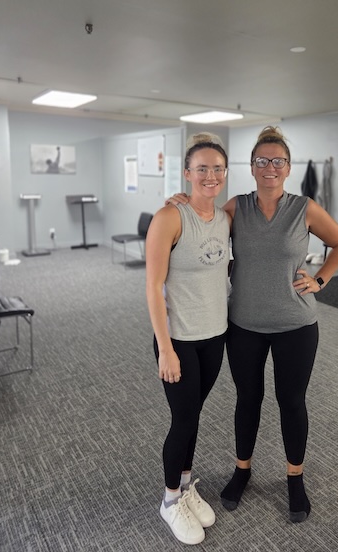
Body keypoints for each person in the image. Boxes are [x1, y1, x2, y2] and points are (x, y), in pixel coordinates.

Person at [168, 126, 338, 523]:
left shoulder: (304, 208)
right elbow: (203, 220)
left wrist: (320, 280)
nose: (270, 167)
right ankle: (242, 470)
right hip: (244, 325)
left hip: (296, 325)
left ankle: (294, 478)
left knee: (292, 402)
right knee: (247, 399)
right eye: (262, 161)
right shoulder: (237, 207)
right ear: (251, 167)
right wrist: (181, 201)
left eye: (278, 161)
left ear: (288, 167)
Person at [146, 133, 231, 545]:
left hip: (214, 336)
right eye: (201, 169)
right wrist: (165, 348)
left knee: (194, 415)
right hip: (178, 339)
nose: (210, 175)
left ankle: (184, 485)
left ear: (225, 173)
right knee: (183, 420)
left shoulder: (226, 218)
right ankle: (169, 500)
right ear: (187, 173)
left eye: (217, 168)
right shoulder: (170, 217)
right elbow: (152, 287)